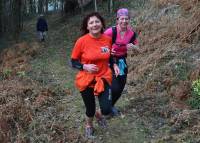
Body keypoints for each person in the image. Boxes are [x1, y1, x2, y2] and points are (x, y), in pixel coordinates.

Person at [71, 12, 118, 138]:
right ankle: (89, 125)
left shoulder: (108, 39)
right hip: (86, 80)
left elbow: (110, 56)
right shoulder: (81, 41)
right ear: (87, 27)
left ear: (102, 24)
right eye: (91, 23)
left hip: (104, 77)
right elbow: (73, 62)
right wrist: (84, 66)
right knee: (90, 109)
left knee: (107, 109)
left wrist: (114, 64)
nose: (94, 24)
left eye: (97, 21)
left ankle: (99, 114)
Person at [104, 8, 139, 116]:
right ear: (117, 19)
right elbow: (99, 45)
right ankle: (106, 107)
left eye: (127, 19)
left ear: (129, 20)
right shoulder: (111, 31)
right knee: (115, 88)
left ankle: (110, 107)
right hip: (110, 60)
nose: (124, 21)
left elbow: (138, 50)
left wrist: (133, 47)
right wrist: (108, 50)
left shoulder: (131, 34)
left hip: (122, 61)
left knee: (121, 86)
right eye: (122, 19)